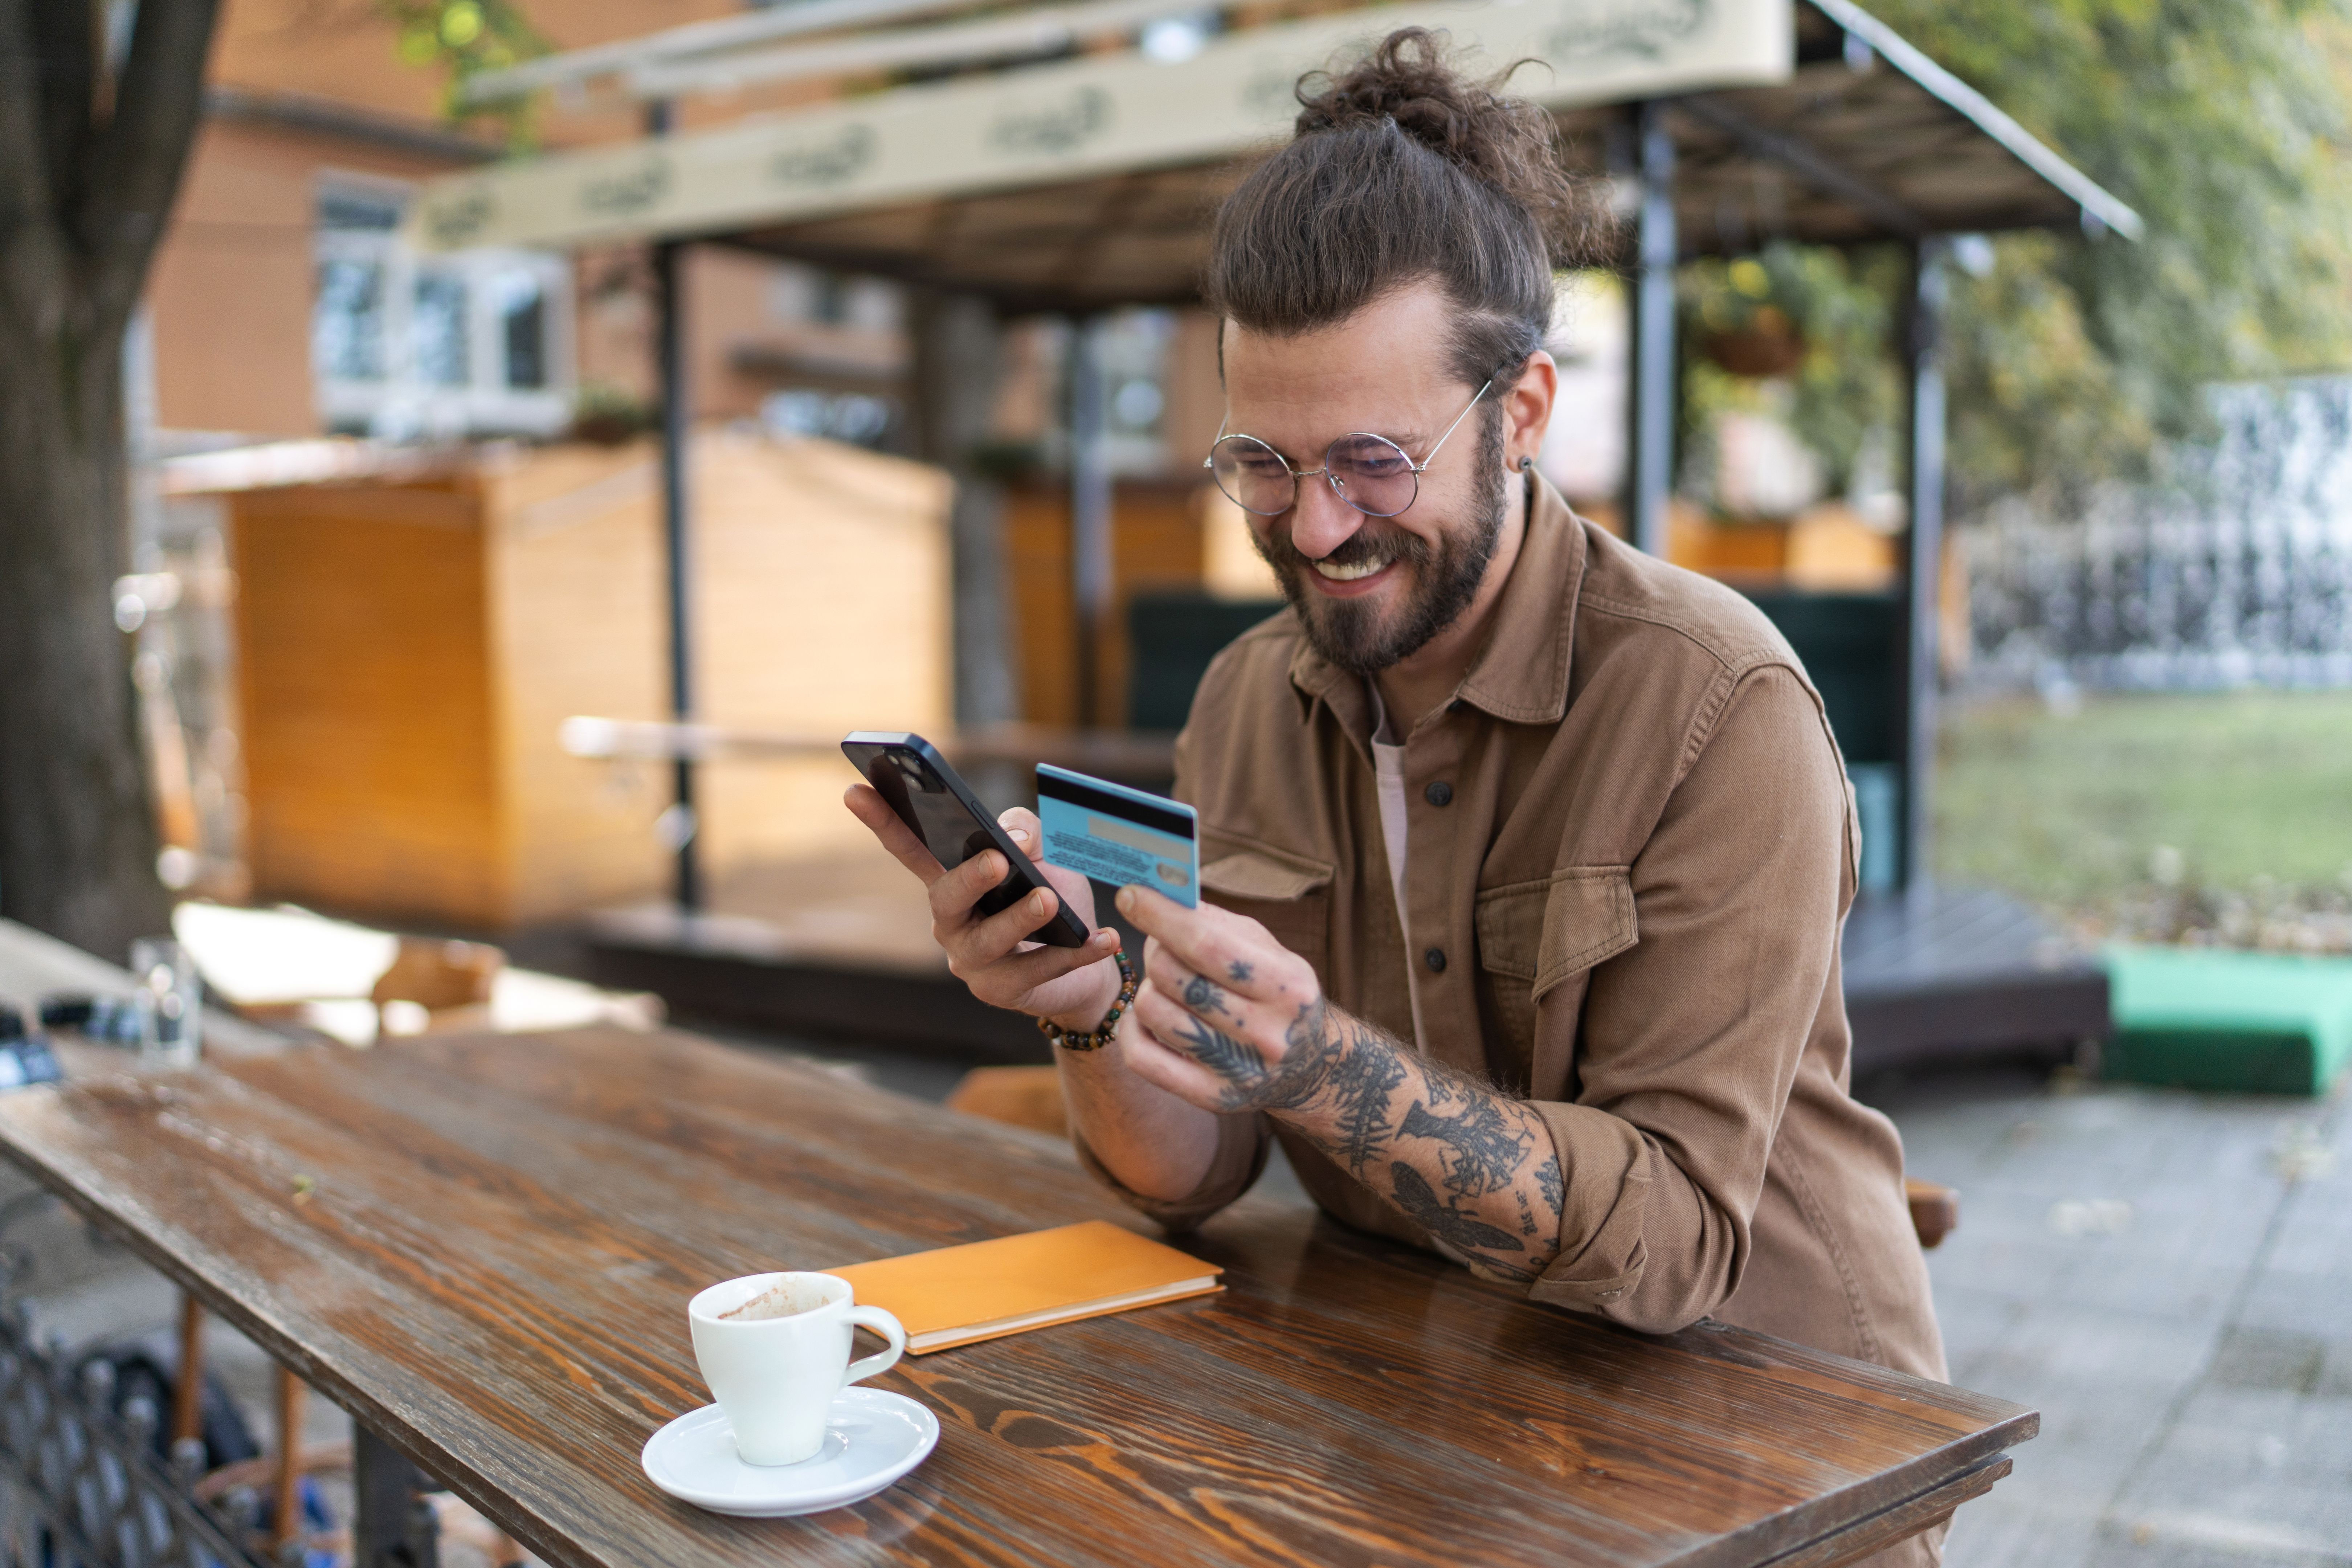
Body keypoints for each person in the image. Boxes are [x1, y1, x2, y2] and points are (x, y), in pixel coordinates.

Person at [849, 28, 1945, 1564]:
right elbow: (1201, 1167)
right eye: (1260, 462)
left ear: (1521, 412)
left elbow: (1678, 1247)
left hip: (1779, 1442)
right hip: (1439, 1413)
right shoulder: (1244, 700)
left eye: (1372, 459)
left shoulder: (1719, 705)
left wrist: (1318, 1068)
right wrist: (1092, 1007)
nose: (1314, 527)